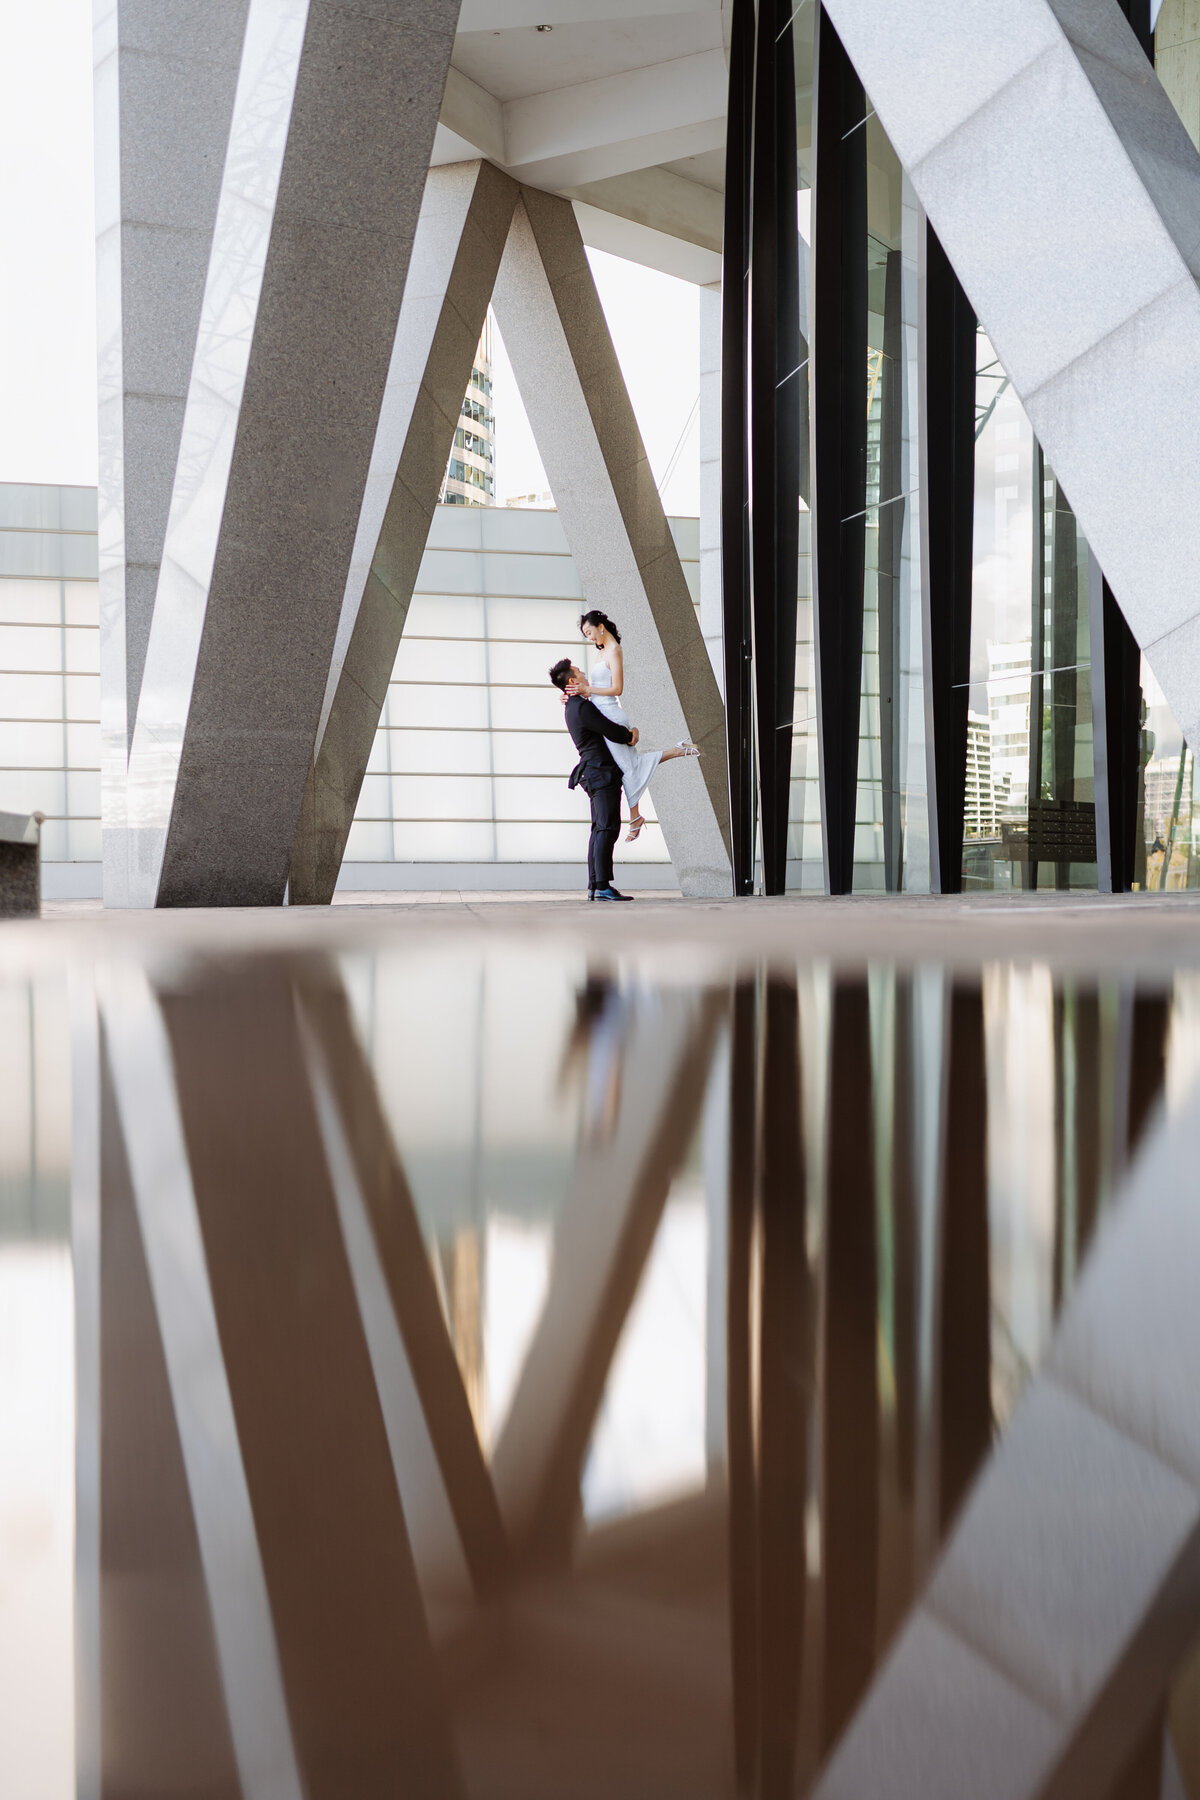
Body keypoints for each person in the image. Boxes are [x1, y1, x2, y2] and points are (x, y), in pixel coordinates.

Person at [566, 609, 699, 841]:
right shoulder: (602, 652)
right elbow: (593, 689)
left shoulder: (614, 650)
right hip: (601, 713)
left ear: (600, 627)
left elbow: (617, 689)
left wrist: (588, 690)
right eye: (586, 635)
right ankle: (678, 750)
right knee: (630, 765)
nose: (590, 638)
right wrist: (574, 694)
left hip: (611, 714)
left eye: (589, 632)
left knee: (628, 767)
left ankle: (636, 816)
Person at [549, 656, 638, 901]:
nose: (584, 674)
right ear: (572, 681)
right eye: (579, 672)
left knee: (600, 828)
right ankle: (602, 887)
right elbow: (609, 729)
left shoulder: (572, 706)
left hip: (594, 772)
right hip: (600, 772)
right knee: (607, 827)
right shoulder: (581, 707)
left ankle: (596, 886)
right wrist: (630, 735)